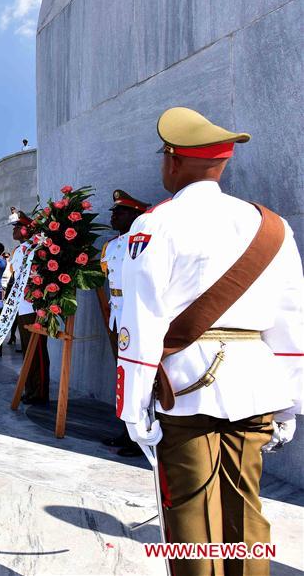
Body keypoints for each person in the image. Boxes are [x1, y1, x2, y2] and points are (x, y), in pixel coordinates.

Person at [119, 107, 303, 576]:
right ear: (221, 165)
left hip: (187, 385)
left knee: (190, 514)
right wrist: (289, 401)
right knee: (247, 511)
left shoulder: (154, 224)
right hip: (256, 385)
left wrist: (134, 406)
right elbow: (289, 321)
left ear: (174, 162)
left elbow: (142, 320)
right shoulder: (273, 227)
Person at [98, 190, 149, 458]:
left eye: (119, 212)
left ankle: (142, 434)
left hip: (135, 314)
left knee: (138, 375)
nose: (113, 216)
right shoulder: (113, 245)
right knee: (123, 374)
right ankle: (127, 428)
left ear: (134, 214)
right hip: (118, 314)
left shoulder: (141, 243)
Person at [9, 209, 50, 405]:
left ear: (27, 229)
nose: (14, 230)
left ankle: (40, 392)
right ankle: (30, 388)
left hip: (34, 306)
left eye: (18, 227)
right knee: (27, 351)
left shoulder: (37, 247)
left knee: (38, 352)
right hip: (21, 306)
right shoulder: (18, 250)